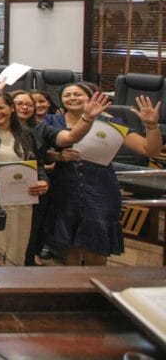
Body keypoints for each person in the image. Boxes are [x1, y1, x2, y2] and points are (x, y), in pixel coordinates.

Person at [45, 84, 162, 265]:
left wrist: (152, 126)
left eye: (78, 94)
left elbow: (150, 150)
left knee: (96, 247)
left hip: (101, 190)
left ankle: (95, 289)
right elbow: (41, 153)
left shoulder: (111, 123)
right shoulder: (51, 121)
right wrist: (58, 156)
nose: (72, 98)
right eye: (67, 95)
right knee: (68, 246)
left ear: (91, 98)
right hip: (64, 190)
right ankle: (71, 288)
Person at [0, 92, 49, 266]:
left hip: (22, 195)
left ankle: (12, 282)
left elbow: (38, 164)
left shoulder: (26, 134)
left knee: (18, 241)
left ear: (12, 108)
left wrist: (43, 181)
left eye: (0, 107)